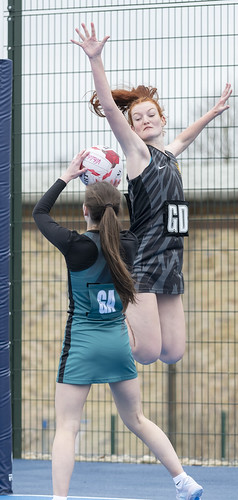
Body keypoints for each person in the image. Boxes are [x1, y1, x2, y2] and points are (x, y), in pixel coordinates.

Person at [33, 150, 204, 500]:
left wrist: (66, 176)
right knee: (138, 419)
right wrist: (117, 184)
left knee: (67, 427)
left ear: (85, 211)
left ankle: (59, 498)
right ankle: (184, 481)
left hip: (82, 344)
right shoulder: (129, 244)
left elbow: (39, 213)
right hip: (117, 343)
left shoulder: (74, 245)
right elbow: (139, 216)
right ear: (116, 210)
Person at [71, 22, 232, 366]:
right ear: (131, 129)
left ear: (162, 118)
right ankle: (96, 330)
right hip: (144, 261)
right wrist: (95, 60)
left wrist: (211, 113)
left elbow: (184, 139)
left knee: (172, 353)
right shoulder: (138, 155)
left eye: (151, 114)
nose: (145, 120)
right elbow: (113, 111)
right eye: (137, 118)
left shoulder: (168, 156)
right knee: (144, 352)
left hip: (172, 262)